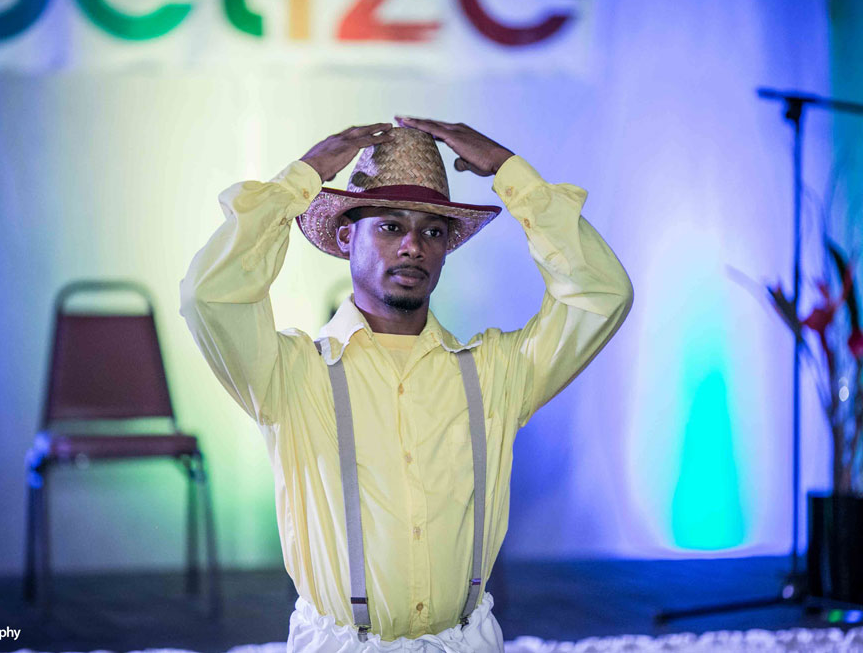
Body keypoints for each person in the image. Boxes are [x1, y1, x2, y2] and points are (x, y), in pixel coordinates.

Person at [179, 117, 633, 652]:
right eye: (391, 227)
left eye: (432, 231)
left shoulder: (494, 372)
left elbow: (600, 294)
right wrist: (300, 179)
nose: (413, 245)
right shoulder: (290, 373)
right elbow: (210, 295)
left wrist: (511, 173)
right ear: (346, 236)